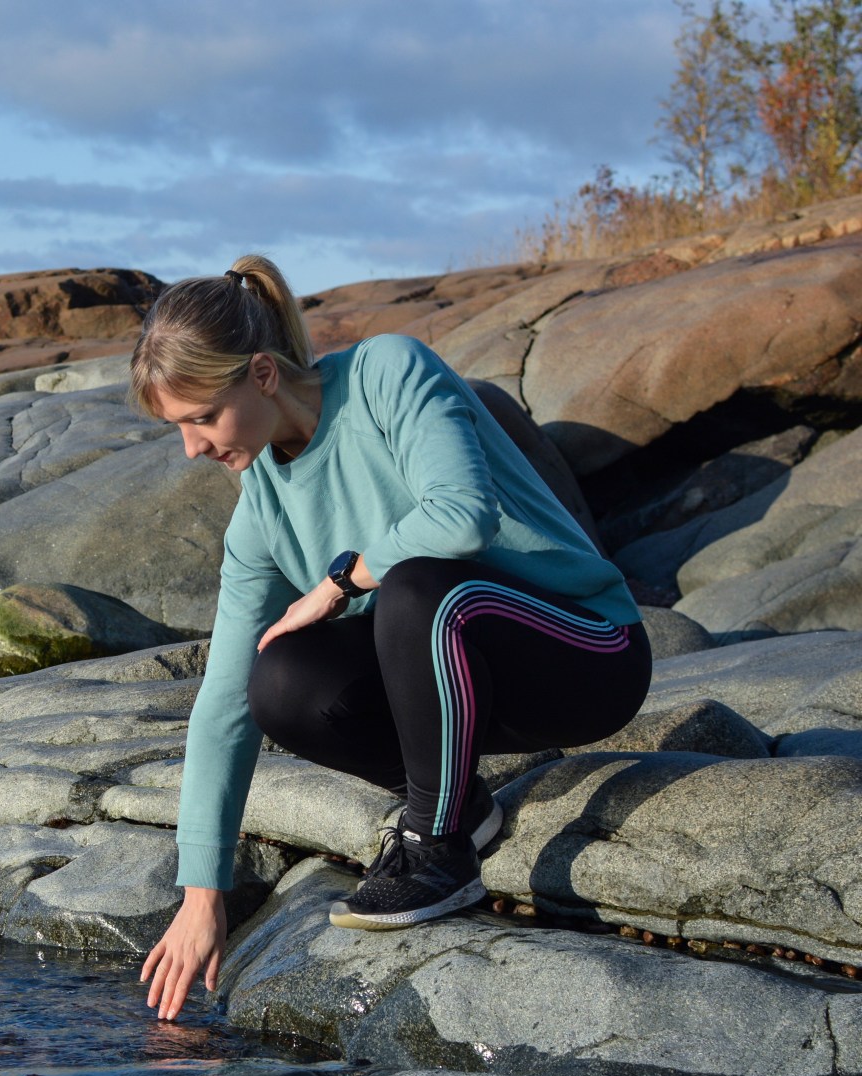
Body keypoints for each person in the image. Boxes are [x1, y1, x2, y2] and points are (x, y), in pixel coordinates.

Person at [131, 255, 650, 1022]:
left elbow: (462, 513)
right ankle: (456, 805)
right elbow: (223, 709)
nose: (192, 448)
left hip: (585, 651)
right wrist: (202, 895)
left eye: (202, 417)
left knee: (414, 586)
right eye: (178, 426)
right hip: (450, 686)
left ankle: (438, 851)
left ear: (264, 375)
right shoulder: (260, 516)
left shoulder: (387, 372)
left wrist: (339, 581)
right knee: (277, 679)